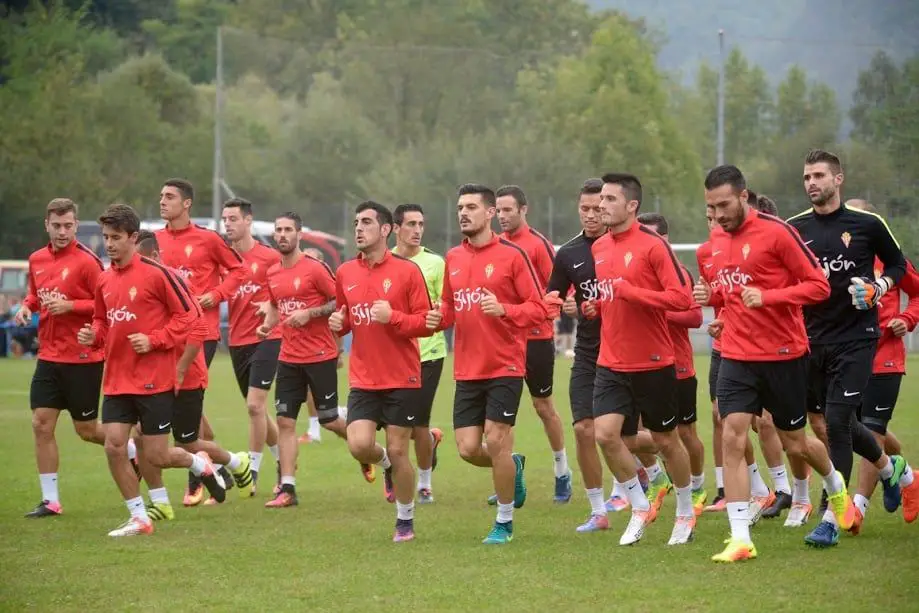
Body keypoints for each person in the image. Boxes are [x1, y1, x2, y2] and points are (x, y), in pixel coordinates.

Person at [693, 164, 854, 561]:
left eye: (725, 205)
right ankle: (740, 537)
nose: (718, 215)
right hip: (735, 355)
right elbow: (727, 295)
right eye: (711, 207)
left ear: (744, 196)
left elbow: (818, 285)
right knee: (732, 434)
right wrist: (711, 299)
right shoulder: (711, 245)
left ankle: (835, 486)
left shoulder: (777, 233)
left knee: (796, 443)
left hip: (784, 355)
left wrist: (769, 297)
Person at [787, 150, 917, 545]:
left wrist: (879, 288)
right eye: (807, 176)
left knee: (839, 423)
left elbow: (897, 267)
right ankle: (893, 469)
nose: (812, 182)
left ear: (838, 179)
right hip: (811, 341)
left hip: (857, 341)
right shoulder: (793, 229)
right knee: (825, 424)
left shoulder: (867, 224)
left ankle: (831, 517)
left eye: (819, 175)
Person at [78, 204, 226, 537]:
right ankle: (139, 517)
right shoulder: (104, 279)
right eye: (106, 238)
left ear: (133, 237)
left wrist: (155, 339)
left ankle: (198, 463)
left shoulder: (158, 274)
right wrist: (93, 334)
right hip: (116, 379)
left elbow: (190, 317)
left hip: (153, 380)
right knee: (114, 445)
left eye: (116, 237)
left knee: (157, 455)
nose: (110, 244)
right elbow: (102, 322)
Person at [427, 183, 558, 545]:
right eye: (459, 208)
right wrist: (436, 316)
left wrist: (505, 310)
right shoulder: (453, 258)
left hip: (505, 365)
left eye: (471, 207)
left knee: (496, 440)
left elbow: (541, 308)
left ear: (489, 214)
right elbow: (450, 309)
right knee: (469, 449)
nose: (463, 213)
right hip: (467, 368)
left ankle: (504, 522)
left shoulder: (513, 256)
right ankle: (512, 467)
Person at [581, 173, 695, 547]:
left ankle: (684, 510)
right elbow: (614, 296)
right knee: (606, 435)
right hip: (611, 361)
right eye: (600, 199)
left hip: (654, 362)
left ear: (632, 206)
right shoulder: (598, 248)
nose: (601, 206)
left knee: (666, 440)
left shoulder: (653, 246)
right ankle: (640, 506)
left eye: (610, 199)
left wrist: (634, 293)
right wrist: (597, 305)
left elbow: (682, 300)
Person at [329, 201, 434, 542]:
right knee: (359, 446)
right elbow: (347, 317)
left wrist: (395, 318)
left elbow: (426, 323)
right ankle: (385, 465)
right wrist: (338, 324)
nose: (358, 228)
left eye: (366, 222)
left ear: (386, 230)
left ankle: (405, 520)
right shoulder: (345, 272)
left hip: (402, 377)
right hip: (363, 378)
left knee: (401, 450)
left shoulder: (407, 272)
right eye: (356, 222)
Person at [132, 230, 252, 518]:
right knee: (140, 436)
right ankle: (159, 502)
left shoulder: (175, 283)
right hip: (157, 374)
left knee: (187, 441)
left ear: (154, 257)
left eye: (138, 259)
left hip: (185, 375)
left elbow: (198, 328)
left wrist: (181, 367)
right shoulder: (136, 283)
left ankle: (236, 462)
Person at [258, 212, 361, 508]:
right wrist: (268, 324)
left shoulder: (315, 269)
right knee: (285, 421)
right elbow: (277, 307)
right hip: (289, 357)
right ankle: (287, 488)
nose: (282, 235)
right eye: (278, 230)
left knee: (329, 419)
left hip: (320, 356)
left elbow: (339, 303)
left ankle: (373, 455)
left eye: (288, 229)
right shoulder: (273, 272)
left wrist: (310, 313)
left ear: (299, 234)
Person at [155, 178, 247, 505]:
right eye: (161, 196)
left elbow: (239, 271)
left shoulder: (207, 240)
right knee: (186, 408)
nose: (162, 201)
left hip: (202, 334)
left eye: (169, 197)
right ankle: (225, 464)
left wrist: (217, 294)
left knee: (183, 403)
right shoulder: (154, 241)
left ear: (187, 203)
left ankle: (196, 478)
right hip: (165, 338)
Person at [18, 198, 110, 518]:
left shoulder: (88, 262)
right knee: (41, 424)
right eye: (56, 226)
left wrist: (71, 306)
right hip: (48, 355)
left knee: (86, 430)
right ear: (47, 225)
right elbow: (35, 294)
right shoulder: (37, 259)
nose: (62, 231)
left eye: (68, 226)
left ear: (76, 224)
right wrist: (25, 307)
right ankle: (51, 500)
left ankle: (128, 449)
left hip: (83, 357)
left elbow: (104, 306)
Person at [845, 199, 919, 524]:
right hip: (847, 358)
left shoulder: (890, 259)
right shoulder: (836, 260)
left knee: (872, 431)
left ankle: (856, 508)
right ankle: (905, 477)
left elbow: (917, 293)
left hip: (886, 357)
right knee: (851, 427)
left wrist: (907, 318)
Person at [496, 185, 571, 503]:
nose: (502, 216)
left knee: (544, 407)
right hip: (501, 341)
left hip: (536, 339)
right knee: (502, 414)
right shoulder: (494, 245)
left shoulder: (538, 245)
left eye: (508, 210)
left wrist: (543, 314)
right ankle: (507, 477)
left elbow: (556, 290)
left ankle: (562, 471)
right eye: (498, 210)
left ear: (524, 209)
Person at [545, 179, 611, 530]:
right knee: (585, 429)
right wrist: (563, 305)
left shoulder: (625, 246)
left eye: (596, 209)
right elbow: (551, 296)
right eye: (584, 209)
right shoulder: (569, 253)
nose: (589, 215)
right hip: (588, 353)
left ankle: (652, 477)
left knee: (630, 437)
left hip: (628, 352)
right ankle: (599, 511)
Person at [637, 212, 708, 515]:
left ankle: (698, 485)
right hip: (642, 365)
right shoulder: (636, 273)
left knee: (685, 433)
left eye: (652, 237)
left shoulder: (679, 273)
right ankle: (657, 479)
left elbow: (694, 316)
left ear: (664, 240)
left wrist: (656, 312)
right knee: (635, 431)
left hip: (678, 366)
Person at [221, 198, 283, 495]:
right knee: (258, 410)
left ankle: (252, 472)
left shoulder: (270, 258)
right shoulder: (223, 259)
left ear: (248, 221)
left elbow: (287, 291)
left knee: (254, 405)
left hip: (267, 336)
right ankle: (284, 462)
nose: (228, 224)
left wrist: (270, 305)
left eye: (233, 218)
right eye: (225, 219)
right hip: (237, 341)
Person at [392, 204, 446, 504]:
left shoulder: (435, 263)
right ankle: (429, 443)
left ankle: (424, 482)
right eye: (410, 224)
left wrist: (440, 309)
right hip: (392, 355)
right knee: (395, 422)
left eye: (421, 224)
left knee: (418, 422)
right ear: (395, 228)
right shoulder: (383, 262)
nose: (417, 230)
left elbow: (445, 302)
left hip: (429, 352)